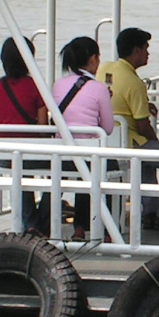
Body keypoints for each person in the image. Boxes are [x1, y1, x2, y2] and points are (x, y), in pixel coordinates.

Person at [99, 27, 159, 232]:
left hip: (108, 140)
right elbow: (143, 126)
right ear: (136, 51)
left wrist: (145, 102)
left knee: (147, 163)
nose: (148, 53)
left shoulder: (105, 69)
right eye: (146, 48)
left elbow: (117, 96)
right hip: (131, 142)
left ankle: (150, 213)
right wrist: (155, 143)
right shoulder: (135, 83)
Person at [0, 36, 50, 233]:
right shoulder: (35, 85)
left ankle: (30, 223)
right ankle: (42, 222)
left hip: (4, 154)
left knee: (20, 175)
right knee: (61, 171)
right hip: (31, 152)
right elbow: (43, 127)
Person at [51, 35, 114, 238]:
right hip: (88, 153)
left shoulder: (58, 85)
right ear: (94, 59)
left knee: (82, 170)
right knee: (106, 169)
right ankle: (105, 228)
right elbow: (108, 127)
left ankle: (79, 227)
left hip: (62, 153)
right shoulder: (99, 88)